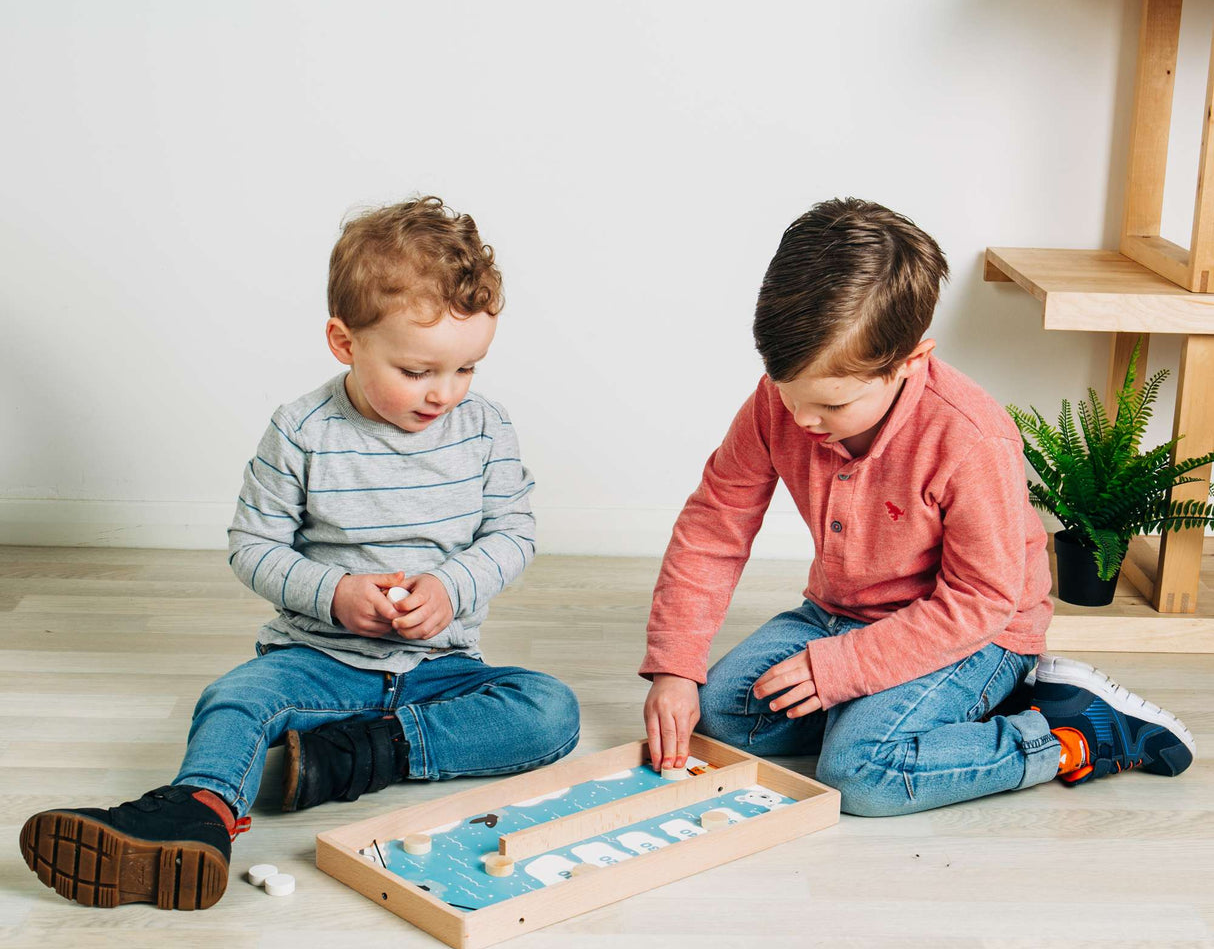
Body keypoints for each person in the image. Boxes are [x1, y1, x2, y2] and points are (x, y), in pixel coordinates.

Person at [20, 197, 580, 909]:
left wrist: (452, 586)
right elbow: (252, 546)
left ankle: (356, 756)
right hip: (318, 666)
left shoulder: (486, 427)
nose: (445, 393)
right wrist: (335, 594)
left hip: (439, 670)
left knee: (550, 711)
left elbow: (514, 533)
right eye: (417, 371)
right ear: (345, 343)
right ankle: (197, 815)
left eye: (467, 368)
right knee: (236, 697)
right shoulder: (302, 430)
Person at [640, 197, 1194, 814]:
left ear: (911, 362)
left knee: (858, 773)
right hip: (838, 613)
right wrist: (676, 666)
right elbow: (715, 526)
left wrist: (847, 669)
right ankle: (913, 711)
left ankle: (1071, 732)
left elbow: (983, 599)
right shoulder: (782, 402)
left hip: (979, 635)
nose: (800, 419)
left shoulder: (968, 437)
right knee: (720, 714)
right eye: (785, 390)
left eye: (832, 405)